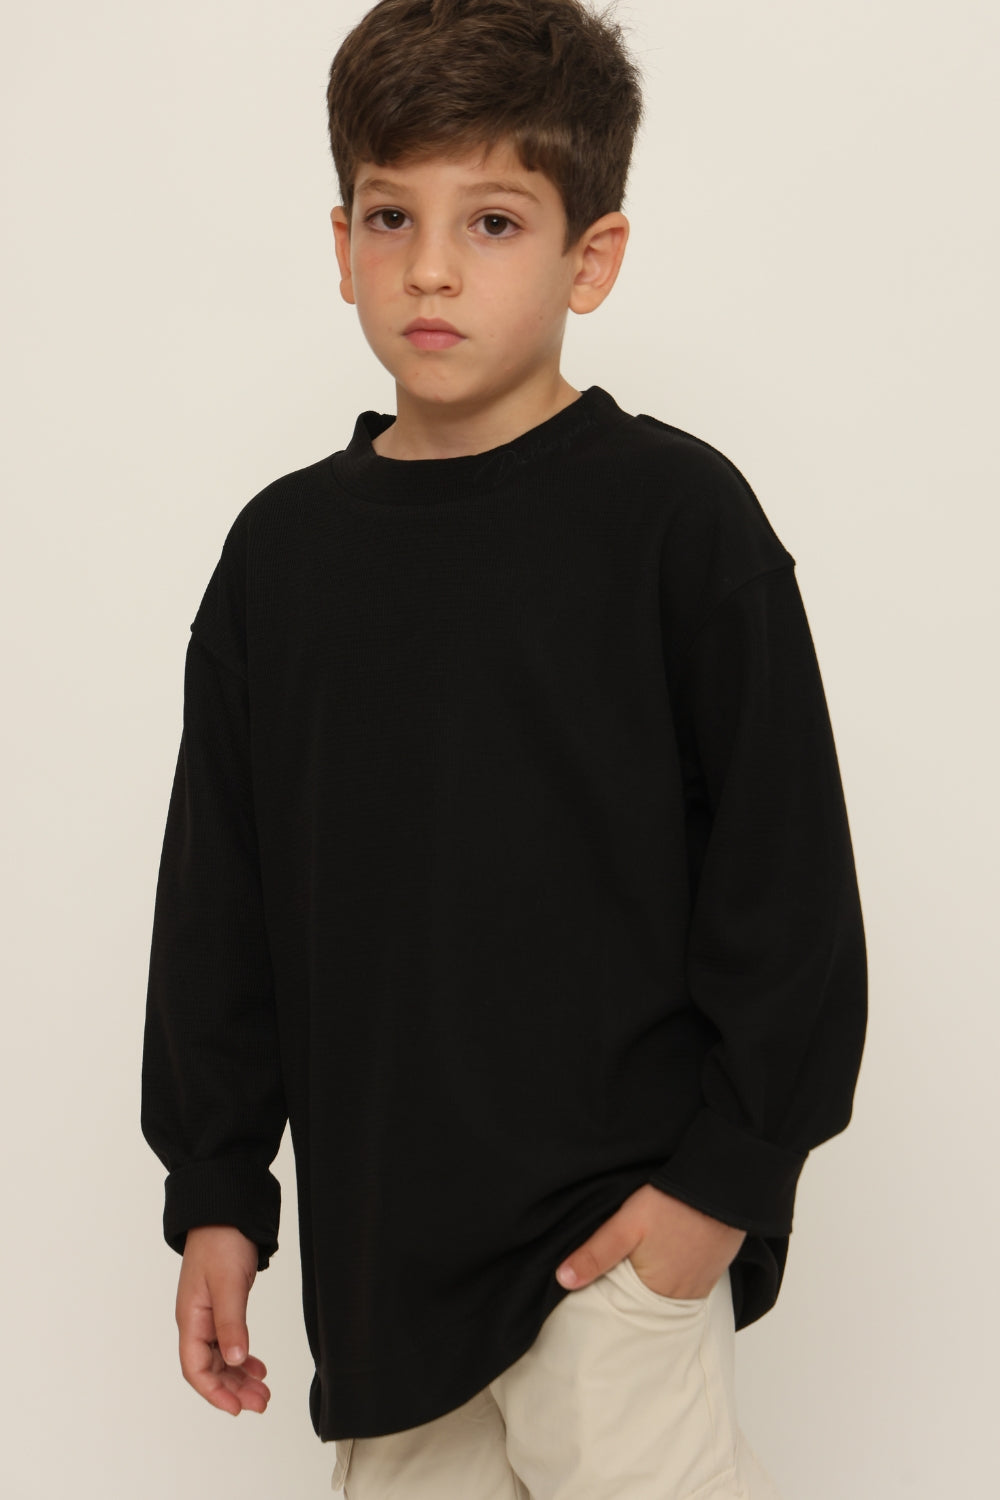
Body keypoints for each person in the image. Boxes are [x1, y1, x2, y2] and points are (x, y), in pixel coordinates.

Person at [141, 1, 868, 1495]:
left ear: (590, 257)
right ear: (341, 239)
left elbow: (787, 885)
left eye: (491, 221)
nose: (430, 267)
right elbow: (221, 905)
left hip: (617, 1249)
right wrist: (218, 1190)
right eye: (391, 216)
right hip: (385, 1270)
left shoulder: (677, 522)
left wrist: (718, 1193)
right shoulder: (282, 559)